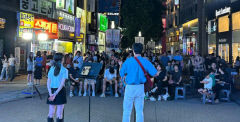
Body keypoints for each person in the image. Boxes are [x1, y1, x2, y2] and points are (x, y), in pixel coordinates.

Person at [120, 43, 158, 122]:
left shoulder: (128, 61)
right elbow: (155, 73)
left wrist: (120, 65)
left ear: (133, 51)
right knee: (139, 111)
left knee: (127, 111)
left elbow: (121, 73)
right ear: (142, 51)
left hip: (130, 87)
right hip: (140, 87)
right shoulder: (145, 61)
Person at [47, 53, 68, 122]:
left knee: (51, 113)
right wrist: (55, 93)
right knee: (59, 113)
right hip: (60, 91)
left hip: (52, 91)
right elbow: (62, 84)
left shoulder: (51, 69)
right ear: (62, 59)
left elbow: (48, 82)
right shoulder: (65, 70)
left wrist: (51, 93)